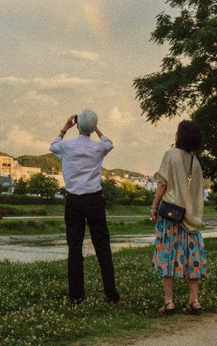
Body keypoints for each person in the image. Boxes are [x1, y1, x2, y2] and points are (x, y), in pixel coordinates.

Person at [50, 110, 120, 304]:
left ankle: (76, 296)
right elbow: (109, 143)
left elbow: (52, 146)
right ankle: (111, 294)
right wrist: (94, 127)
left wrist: (65, 128)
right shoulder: (98, 149)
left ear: (78, 126)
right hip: (94, 200)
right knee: (103, 247)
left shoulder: (66, 147)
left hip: (74, 201)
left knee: (75, 248)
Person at [150, 119, 207, 315]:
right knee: (192, 257)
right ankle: (195, 300)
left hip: (171, 216)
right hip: (190, 218)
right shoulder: (195, 162)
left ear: (179, 135)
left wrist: (153, 207)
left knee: (168, 255)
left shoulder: (170, 155)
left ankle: (169, 302)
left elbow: (162, 184)